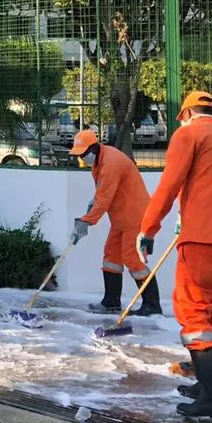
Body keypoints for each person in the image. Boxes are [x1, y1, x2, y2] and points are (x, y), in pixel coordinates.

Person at [138, 90, 212, 420]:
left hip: (205, 238)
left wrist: (148, 228)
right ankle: (209, 388)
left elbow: (169, 183)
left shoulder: (188, 134)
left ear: (186, 113)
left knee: (194, 315)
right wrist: (181, 218)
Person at [68, 129, 161, 316]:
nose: (81, 159)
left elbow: (104, 199)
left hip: (134, 216)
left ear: (94, 148)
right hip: (120, 218)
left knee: (133, 259)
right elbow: (101, 194)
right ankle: (111, 302)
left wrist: (86, 222)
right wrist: (91, 206)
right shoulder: (100, 161)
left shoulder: (111, 163)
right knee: (111, 257)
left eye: (83, 154)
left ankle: (152, 306)